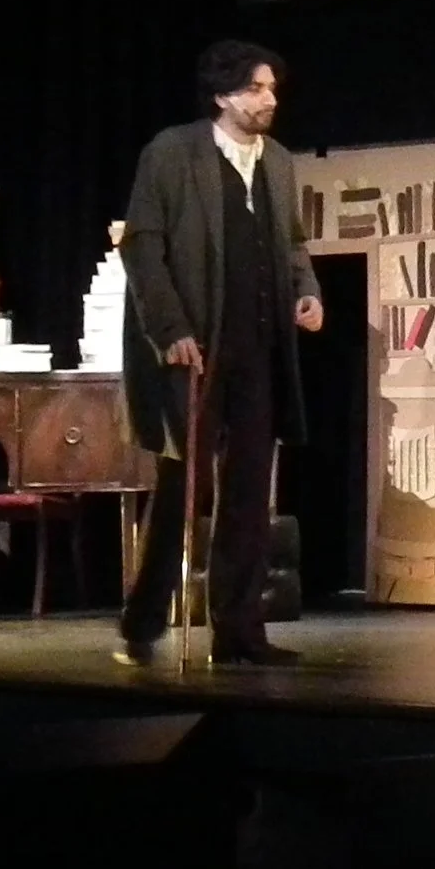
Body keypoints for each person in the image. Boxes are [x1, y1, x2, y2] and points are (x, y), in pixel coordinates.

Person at [117, 39, 324, 664]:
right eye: (258, 88)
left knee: (249, 492)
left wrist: (306, 291)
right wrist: (171, 326)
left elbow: (291, 245)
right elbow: (143, 246)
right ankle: (144, 621)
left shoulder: (279, 162)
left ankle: (239, 630)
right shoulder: (174, 152)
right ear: (223, 95)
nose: (270, 99)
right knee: (185, 485)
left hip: (258, 349)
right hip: (196, 348)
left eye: (272, 88)